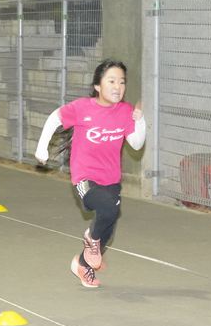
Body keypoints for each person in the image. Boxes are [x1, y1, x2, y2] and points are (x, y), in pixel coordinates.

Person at [35, 59, 146, 288]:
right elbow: (55, 117)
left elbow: (136, 144)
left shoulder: (125, 111)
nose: (117, 87)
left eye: (122, 82)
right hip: (85, 177)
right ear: (97, 85)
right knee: (107, 209)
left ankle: (83, 264)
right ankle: (91, 240)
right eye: (111, 81)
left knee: (108, 225)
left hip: (111, 179)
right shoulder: (82, 108)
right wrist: (42, 147)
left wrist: (140, 121)